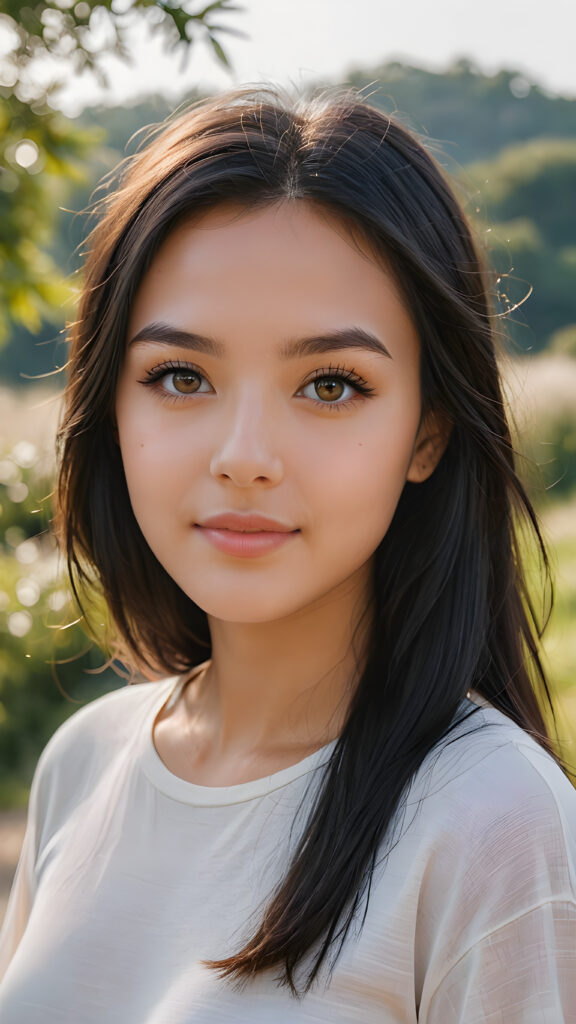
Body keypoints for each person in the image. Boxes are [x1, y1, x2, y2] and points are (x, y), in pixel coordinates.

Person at [0, 86, 574, 1023]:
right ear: (113, 405)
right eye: (180, 377)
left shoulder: (494, 824)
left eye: (332, 385)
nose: (245, 458)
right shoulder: (84, 763)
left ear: (427, 431)